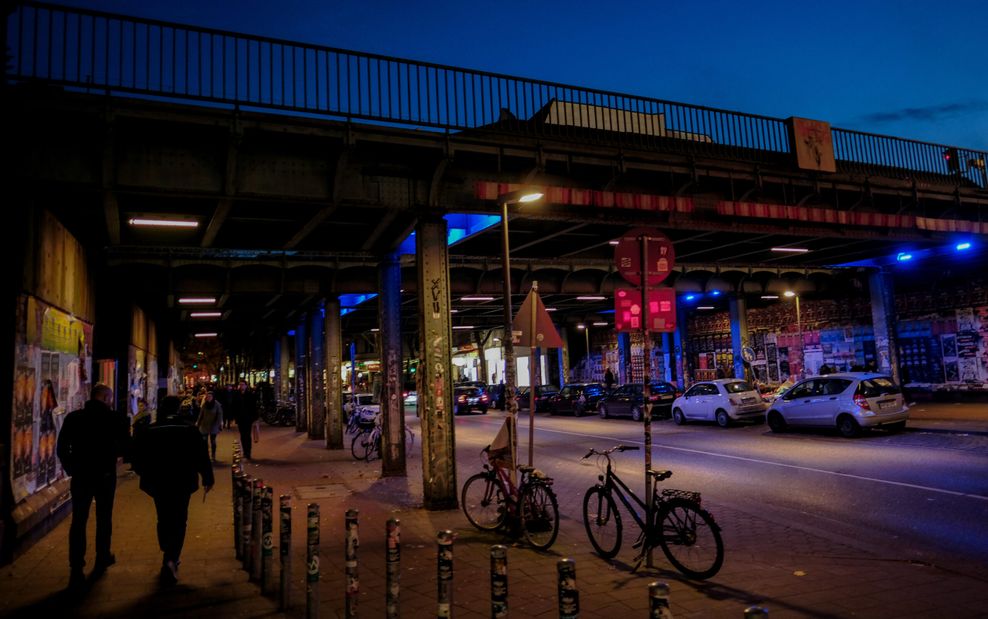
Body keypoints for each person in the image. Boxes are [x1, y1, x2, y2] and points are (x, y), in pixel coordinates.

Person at [132, 395, 214, 584]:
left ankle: (167, 550)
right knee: (180, 518)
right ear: (179, 409)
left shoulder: (150, 430)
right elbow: (201, 455)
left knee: (163, 516)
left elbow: (137, 457)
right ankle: (171, 555)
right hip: (182, 482)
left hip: (158, 483)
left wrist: (144, 473)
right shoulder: (189, 430)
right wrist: (207, 478)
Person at [56, 384, 130, 589]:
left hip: (81, 475)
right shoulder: (115, 418)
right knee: (104, 517)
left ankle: (76, 567)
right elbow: (126, 445)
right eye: (110, 397)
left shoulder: (74, 417)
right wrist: (114, 456)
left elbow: (62, 447)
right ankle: (102, 556)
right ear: (106, 397)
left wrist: (72, 467)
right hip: (105, 475)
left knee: (79, 520)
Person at [231, 381, 258, 459]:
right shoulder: (236, 395)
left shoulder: (250, 395)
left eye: (243, 385)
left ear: (246, 386)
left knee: (247, 435)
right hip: (240, 418)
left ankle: (248, 452)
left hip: (248, 418)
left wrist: (255, 418)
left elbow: (254, 407)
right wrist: (234, 416)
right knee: (242, 435)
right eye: (240, 385)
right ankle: (245, 451)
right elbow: (234, 406)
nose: (241, 386)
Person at [195, 390, 223, 461]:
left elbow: (219, 415)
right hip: (204, 425)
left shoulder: (217, 405)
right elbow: (201, 414)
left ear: (213, 397)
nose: (208, 398)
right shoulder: (204, 404)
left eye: (210, 396)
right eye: (207, 397)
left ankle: (213, 455)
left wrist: (218, 424)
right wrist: (198, 423)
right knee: (204, 442)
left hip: (213, 425)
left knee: (213, 441)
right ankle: (206, 456)